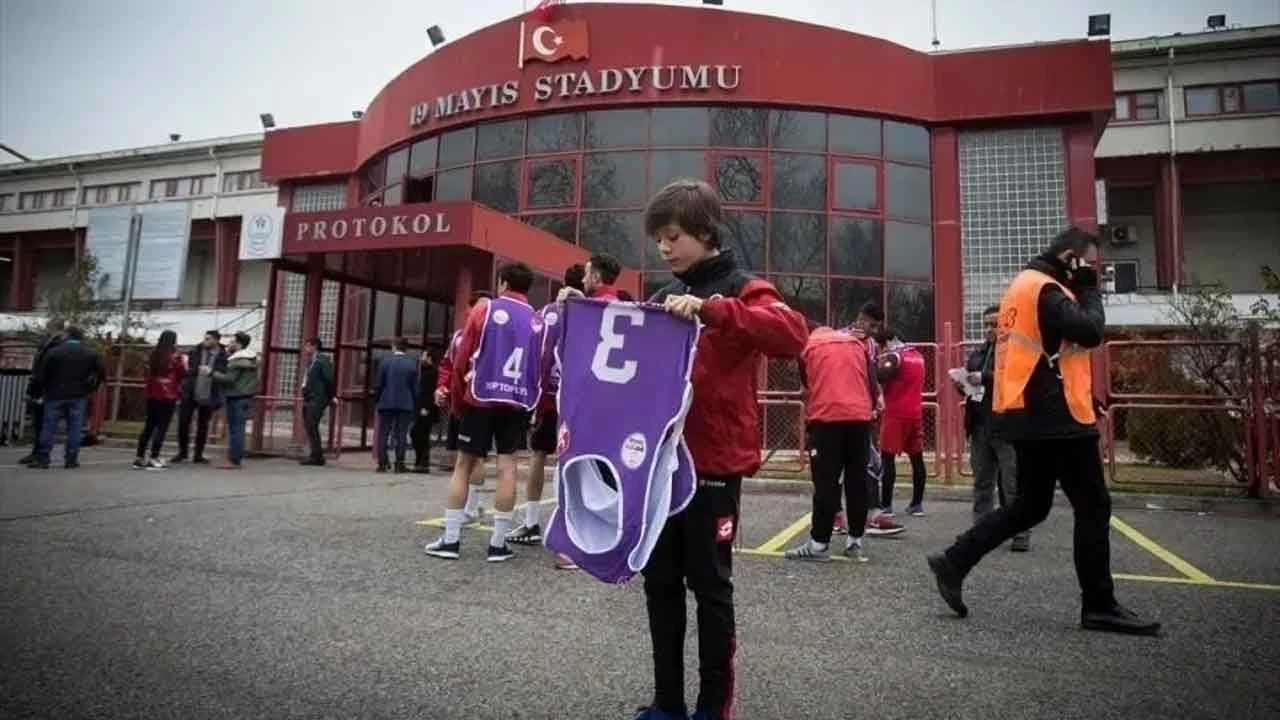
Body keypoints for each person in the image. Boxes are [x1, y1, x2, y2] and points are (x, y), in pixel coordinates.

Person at [927, 227, 1161, 636]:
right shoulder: (1046, 290)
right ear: (1071, 257)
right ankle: (1099, 605)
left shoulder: (1024, 285)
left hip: (1031, 414)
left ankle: (954, 560)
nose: (1094, 272)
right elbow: (1090, 332)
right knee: (1093, 505)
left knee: (1030, 506)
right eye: (1090, 263)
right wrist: (1089, 291)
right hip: (1058, 419)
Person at [634, 179, 808, 720]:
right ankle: (668, 703)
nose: (664, 249)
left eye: (672, 237)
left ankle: (713, 708)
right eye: (658, 240)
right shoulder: (664, 296)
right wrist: (583, 309)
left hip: (713, 467)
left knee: (710, 589)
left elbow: (791, 333)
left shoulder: (742, 286)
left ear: (705, 232)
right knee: (659, 584)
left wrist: (714, 309)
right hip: (663, 467)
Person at [425, 262, 541, 563]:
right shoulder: (536, 320)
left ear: (502, 283)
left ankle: (451, 541)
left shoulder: (485, 309)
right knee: (508, 467)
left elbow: (463, 356)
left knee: (463, 465)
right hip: (515, 402)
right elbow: (537, 367)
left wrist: (458, 399)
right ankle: (498, 544)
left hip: (481, 397)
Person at [507, 263, 587, 572]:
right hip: (575, 400)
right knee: (574, 463)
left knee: (539, 456)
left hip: (548, 398)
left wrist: (535, 394)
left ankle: (530, 522)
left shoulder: (546, 313)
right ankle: (573, 531)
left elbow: (536, 352)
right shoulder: (588, 312)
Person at [785, 319, 880, 563]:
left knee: (826, 482)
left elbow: (808, 383)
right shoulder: (854, 343)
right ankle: (855, 540)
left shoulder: (808, 345)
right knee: (857, 478)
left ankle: (818, 544)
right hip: (860, 417)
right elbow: (872, 378)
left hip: (827, 417)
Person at [962, 305, 1027, 551]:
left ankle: (1020, 534)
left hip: (1007, 427)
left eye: (994, 324)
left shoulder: (1015, 352)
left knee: (1011, 485)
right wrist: (963, 383)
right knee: (982, 483)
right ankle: (982, 531)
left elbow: (1015, 378)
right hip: (980, 426)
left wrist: (985, 378)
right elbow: (973, 382)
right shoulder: (978, 353)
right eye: (986, 325)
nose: (990, 329)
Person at [436, 291, 492, 520]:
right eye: (480, 307)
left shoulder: (494, 333)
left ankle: (472, 506)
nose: (484, 311)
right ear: (469, 309)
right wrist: (441, 388)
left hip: (482, 402)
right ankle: (470, 504)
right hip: (461, 400)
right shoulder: (459, 336)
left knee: (476, 456)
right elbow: (449, 365)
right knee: (463, 455)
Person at [29, 326, 103, 470]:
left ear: (67, 336)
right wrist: (89, 388)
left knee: (49, 426)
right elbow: (100, 373)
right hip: (78, 394)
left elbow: (42, 374)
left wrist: (46, 390)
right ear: (81, 337)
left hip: (54, 394)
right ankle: (71, 459)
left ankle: (43, 458)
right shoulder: (90, 353)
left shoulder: (54, 352)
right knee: (74, 428)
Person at [876, 326, 929, 516]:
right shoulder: (918, 356)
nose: (881, 351)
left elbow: (880, 375)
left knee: (887, 459)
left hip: (895, 413)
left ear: (888, 342)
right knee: (917, 458)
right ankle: (917, 504)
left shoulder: (896, 356)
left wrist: (875, 363)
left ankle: (886, 505)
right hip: (915, 412)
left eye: (880, 346)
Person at [172, 330, 228, 464]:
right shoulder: (196, 351)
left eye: (208, 339)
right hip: (191, 390)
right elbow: (189, 369)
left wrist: (212, 372)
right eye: (205, 338)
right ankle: (183, 452)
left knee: (203, 425)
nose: (205, 341)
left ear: (216, 340)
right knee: (183, 422)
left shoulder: (222, 355)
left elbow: (223, 372)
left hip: (209, 392)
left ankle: (198, 454)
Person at [133, 330, 186, 470]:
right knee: (162, 427)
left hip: (152, 393)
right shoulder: (175, 356)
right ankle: (154, 456)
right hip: (168, 394)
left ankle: (139, 457)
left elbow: (146, 372)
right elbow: (182, 373)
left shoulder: (153, 354)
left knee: (149, 425)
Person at [19, 319, 65, 466]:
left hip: (46, 389)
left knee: (44, 422)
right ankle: (37, 451)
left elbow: (47, 369)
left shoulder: (55, 346)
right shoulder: (47, 344)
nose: (46, 329)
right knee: (38, 422)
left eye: (48, 327)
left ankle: (41, 453)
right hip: (40, 386)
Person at [210, 332, 258, 470]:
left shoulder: (237, 361)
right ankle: (235, 458)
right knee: (238, 429)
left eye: (232, 341)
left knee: (235, 430)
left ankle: (234, 460)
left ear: (238, 344)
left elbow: (229, 379)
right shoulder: (251, 359)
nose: (229, 344)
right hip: (245, 396)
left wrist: (211, 373)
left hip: (236, 396)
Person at [374, 337, 419, 473]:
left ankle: (382, 463)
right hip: (405, 403)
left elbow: (379, 384)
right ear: (406, 348)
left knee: (383, 433)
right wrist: (415, 402)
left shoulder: (385, 362)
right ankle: (399, 463)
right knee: (401, 434)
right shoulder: (412, 363)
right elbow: (415, 387)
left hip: (386, 402)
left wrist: (377, 400)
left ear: (394, 347)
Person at [299, 337, 336, 466]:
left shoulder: (322, 361)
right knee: (309, 425)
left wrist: (331, 396)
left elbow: (328, 379)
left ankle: (317, 455)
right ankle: (315, 454)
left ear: (314, 346)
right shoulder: (311, 361)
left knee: (311, 424)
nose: (305, 349)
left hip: (318, 397)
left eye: (308, 346)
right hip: (309, 396)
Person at [411, 350, 439, 473]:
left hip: (426, 410)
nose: (421, 358)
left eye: (423, 356)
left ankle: (422, 462)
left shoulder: (431, 373)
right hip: (423, 409)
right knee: (420, 434)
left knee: (418, 433)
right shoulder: (425, 371)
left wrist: (425, 408)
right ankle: (421, 461)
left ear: (429, 358)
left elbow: (429, 393)